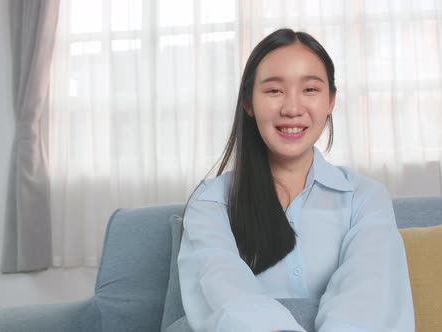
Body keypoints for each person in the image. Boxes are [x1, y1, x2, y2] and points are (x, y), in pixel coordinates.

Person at [177, 28, 414, 332]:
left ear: (331, 101)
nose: (291, 108)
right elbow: (222, 288)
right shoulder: (211, 202)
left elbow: (370, 291)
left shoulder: (365, 198)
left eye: (310, 90)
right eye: (274, 91)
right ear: (248, 103)